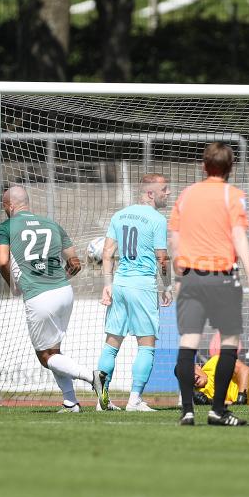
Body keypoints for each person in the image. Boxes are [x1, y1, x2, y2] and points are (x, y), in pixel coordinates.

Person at [169, 142, 249, 426]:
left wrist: (179, 273)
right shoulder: (232, 195)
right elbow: (238, 236)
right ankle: (218, 411)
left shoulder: (186, 194)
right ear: (231, 167)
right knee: (229, 342)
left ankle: (187, 411)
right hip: (222, 277)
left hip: (191, 277)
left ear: (203, 165)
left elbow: (175, 237)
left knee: (188, 342)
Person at [0, 185, 104, 412]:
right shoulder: (52, 224)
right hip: (64, 292)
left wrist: (12, 285)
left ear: (9, 206)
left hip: (39, 295)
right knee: (54, 351)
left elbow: (3, 260)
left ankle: (92, 377)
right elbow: (75, 263)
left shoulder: (6, 227)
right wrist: (57, 279)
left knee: (45, 357)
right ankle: (70, 402)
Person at [97, 174, 172, 412]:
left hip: (120, 284)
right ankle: (134, 400)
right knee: (146, 345)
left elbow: (107, 253)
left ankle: (102, 401)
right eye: (164, 189)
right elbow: (162, 259)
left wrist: (107, 284)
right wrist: (167, 287)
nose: (168, 193)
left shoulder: (119, 215)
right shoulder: (158, 220)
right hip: (142, 286)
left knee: (111, 343)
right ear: (150, 193)